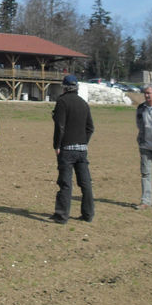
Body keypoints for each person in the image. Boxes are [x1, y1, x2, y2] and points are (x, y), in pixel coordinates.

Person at [50, 74, 95, 224]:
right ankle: (88, 214)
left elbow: (60, 127)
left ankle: (62, 215)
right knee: (85, 183)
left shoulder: (62, 102)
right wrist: (84, 142)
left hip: (67, 149)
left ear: (64, 87)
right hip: (82, 149)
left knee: (65, 183)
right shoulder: (83, 103)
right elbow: (90, 128)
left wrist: (57, 145)